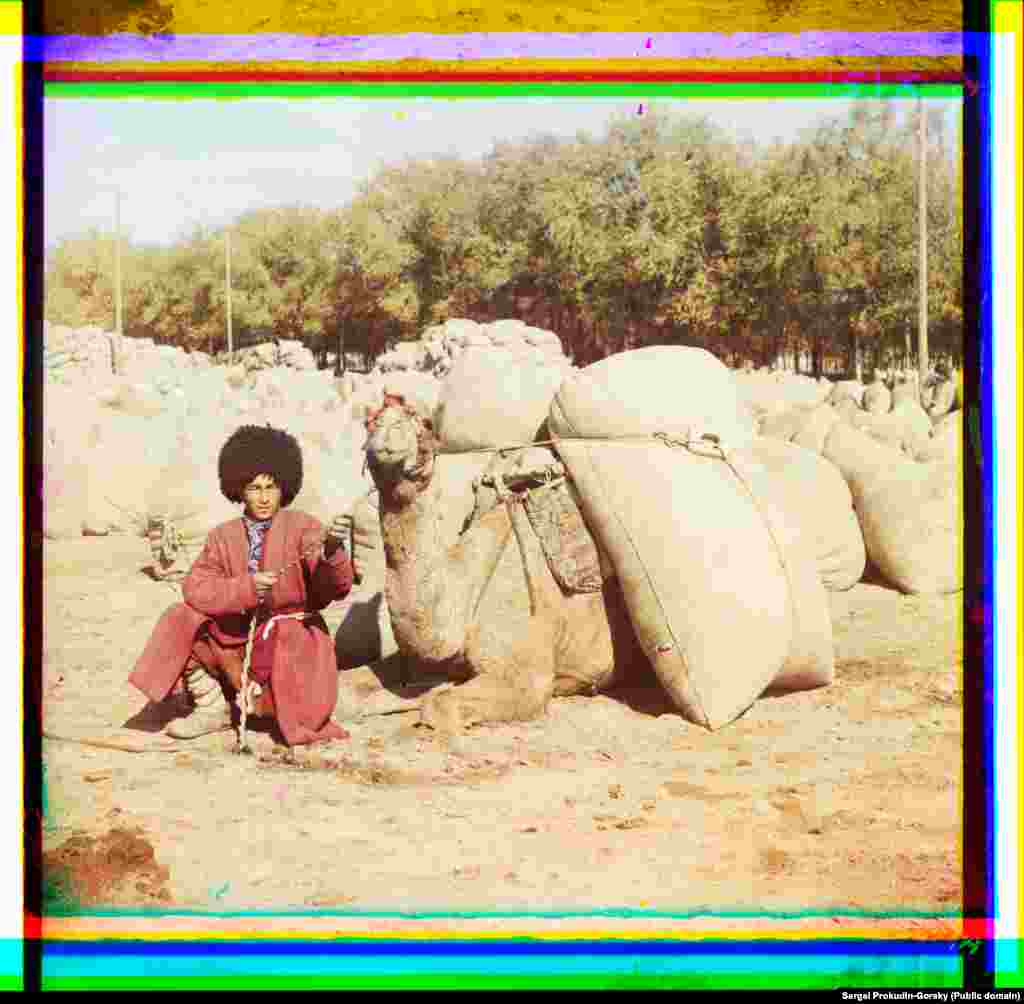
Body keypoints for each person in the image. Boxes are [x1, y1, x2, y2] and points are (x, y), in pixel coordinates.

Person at [129, 424, 355, 746]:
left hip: (291, 642)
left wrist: (332, 551)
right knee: (182, 617)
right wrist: (245, 588)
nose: (263, 498)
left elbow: (336, 587)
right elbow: (196, 588)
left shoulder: (305, 527)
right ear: (238, 489)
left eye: (271, 487)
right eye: (253, 488)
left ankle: (270, 704)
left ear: (285, 487)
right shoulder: (222, 536)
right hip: (236, 638)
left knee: (289, 710)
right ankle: (211, 707)